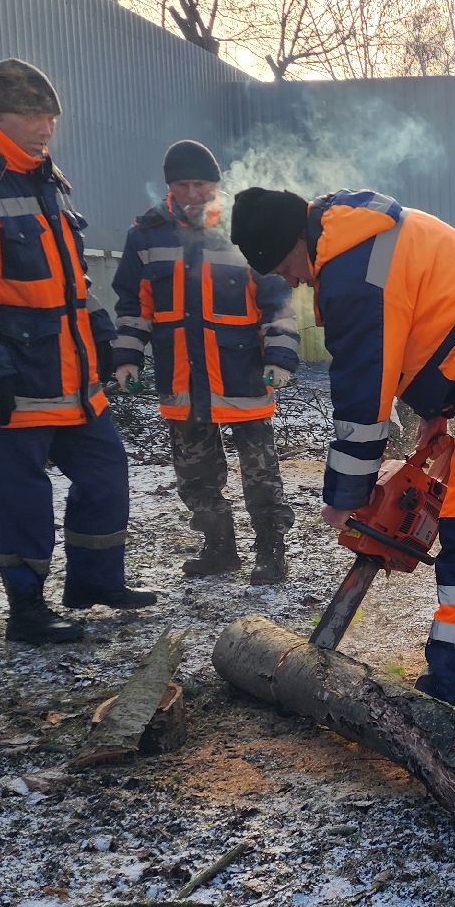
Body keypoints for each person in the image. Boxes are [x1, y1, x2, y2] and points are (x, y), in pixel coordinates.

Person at [229, 187, 455, 716]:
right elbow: (428, 325)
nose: (294, 282)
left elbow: (362, 394)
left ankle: (452, 695)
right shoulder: (365, 233)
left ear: (296, 242)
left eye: (286, 268)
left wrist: (346, 498)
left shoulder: (351, 273)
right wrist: (437, 412)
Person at [0, 59, 155, 645]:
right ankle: (26, 609)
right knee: (22, 492)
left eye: (51, 119)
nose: (45, 129)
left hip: (70, 369)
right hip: (12, 373)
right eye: (32, 117)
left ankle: (96, 582)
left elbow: (71, 276)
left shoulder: (41, 171)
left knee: (105, 470)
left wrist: (101, 333)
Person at [109, 141, 300, 584]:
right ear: (169, 186)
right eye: (182, 185)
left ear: (216, 183)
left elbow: (277, 301)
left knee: (260, 472)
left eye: (201, 184)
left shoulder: (242, 228)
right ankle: (219, 547)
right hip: (181, 375)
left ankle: (270, 550)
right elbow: (133, 306)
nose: (192, 193)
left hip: (242, 374)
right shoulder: (146, 234)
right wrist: (127, 358)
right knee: (195, 473)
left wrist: (280, 357)